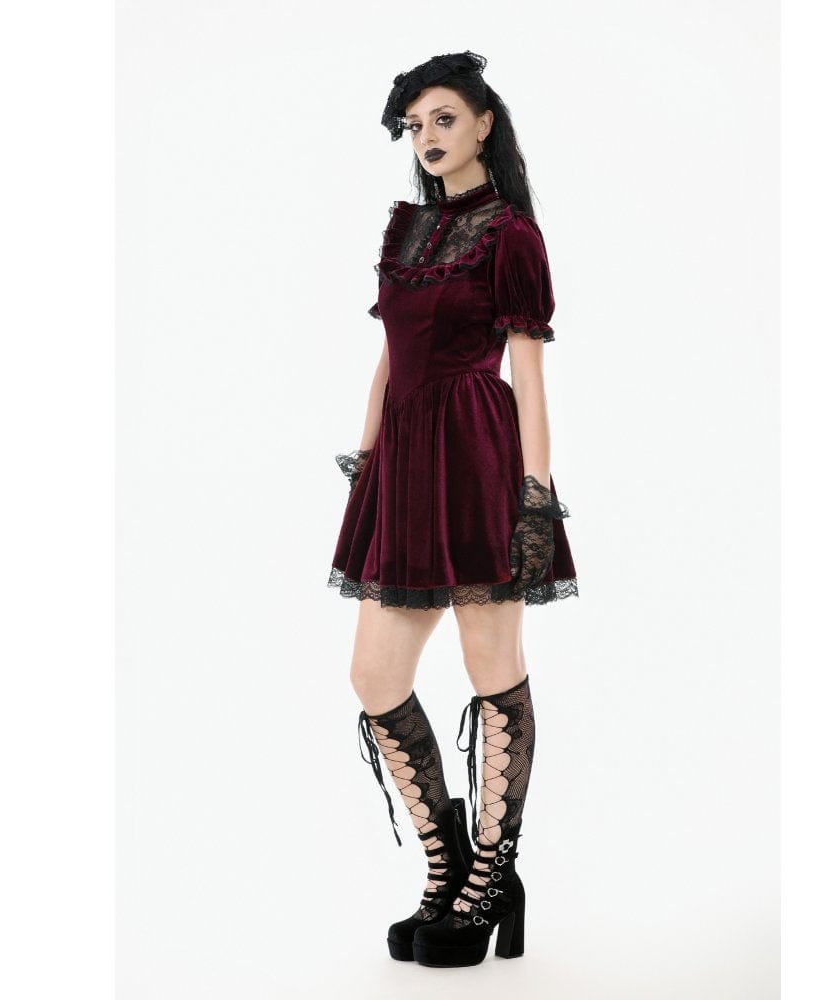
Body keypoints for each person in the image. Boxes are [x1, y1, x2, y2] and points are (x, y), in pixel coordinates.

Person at [327, 50, 578, 968]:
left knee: (490, 662)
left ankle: (492, 876)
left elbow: (528, 377)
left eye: (442, 118)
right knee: (374, 677)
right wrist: (367, 460)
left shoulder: (512, 236)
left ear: (483, 124)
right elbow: (389, 358)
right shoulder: (407, 231)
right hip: (404, 460)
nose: (426, 137)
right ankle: (452, 861)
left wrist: (536, 496)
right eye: (414, 125)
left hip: (477, 457)